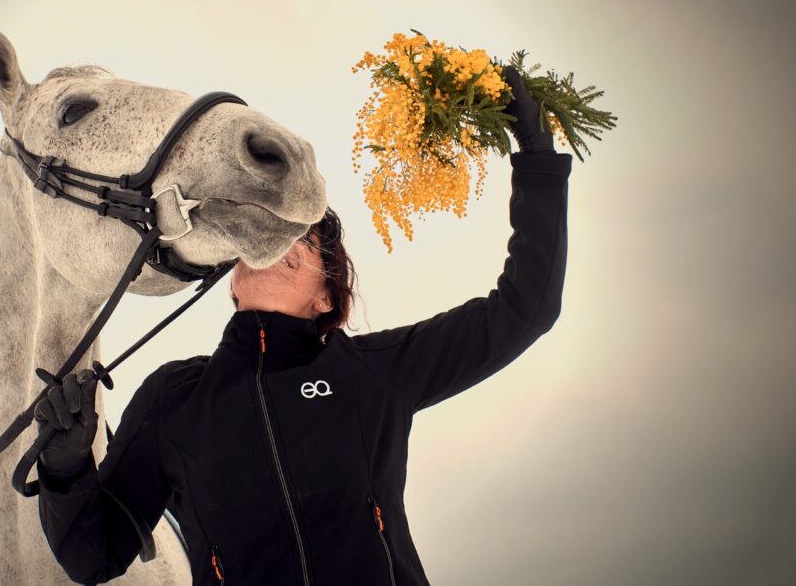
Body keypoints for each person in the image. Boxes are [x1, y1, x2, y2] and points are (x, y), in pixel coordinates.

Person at [33, 67, 573, 586]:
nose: (291, 240)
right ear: (233, 281)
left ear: (325, 300)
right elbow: (94, 556)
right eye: (282, 232)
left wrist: (537, 162)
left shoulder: (372, 374)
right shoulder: (172, 400)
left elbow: (525, 310)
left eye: (311, 242)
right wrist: (65, 470)